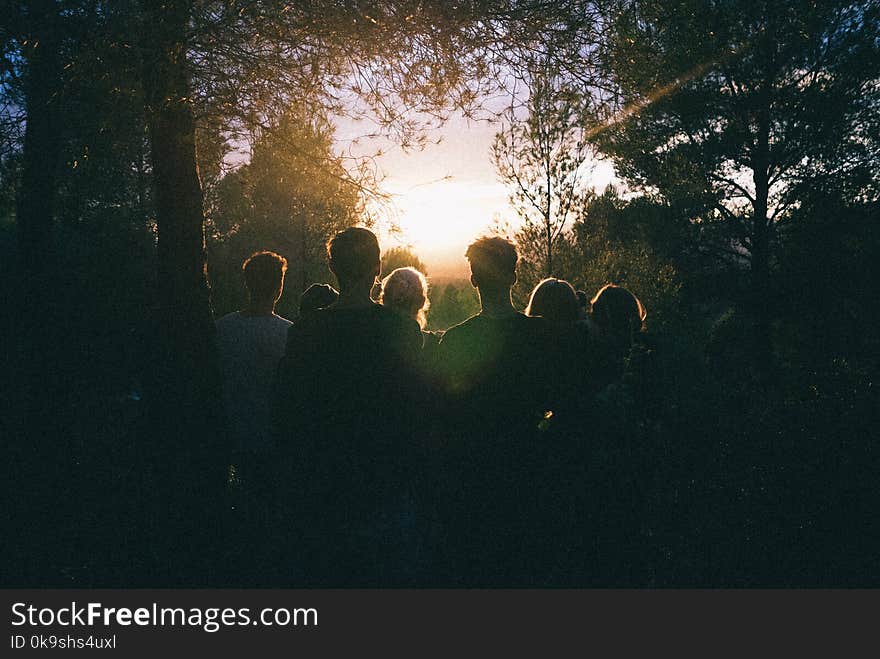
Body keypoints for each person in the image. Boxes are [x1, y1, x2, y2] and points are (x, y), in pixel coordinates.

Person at [273, 228, 426, 586]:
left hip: (322, 482)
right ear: (377, 267)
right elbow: (415, 407)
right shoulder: (401, 331)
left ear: (333, 268)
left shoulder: (307, 330)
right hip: (383, 480)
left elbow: (286, 408)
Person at [435, 236, 552, 585]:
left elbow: (445, 409)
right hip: (528, 467)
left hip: (474, 474)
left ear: (473, 279)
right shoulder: (541, 335)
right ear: (514, 277)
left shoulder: (456, 339)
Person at [215, 251, 292, 584]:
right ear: (279, 287)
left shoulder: (221, 330)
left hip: (229, 438)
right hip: (274, 440)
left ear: (246, 283)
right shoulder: (290, 334)